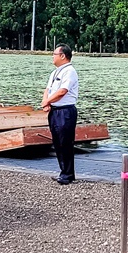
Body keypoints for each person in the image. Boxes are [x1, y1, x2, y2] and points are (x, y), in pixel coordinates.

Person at [42, 44, 79, 184]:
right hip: (55, 110)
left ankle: (68, 174)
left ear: (63, 56)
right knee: (57, 142)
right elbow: (48, 89)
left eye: (54, 54)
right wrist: (46, 102)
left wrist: (47, 102)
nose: (52, 56)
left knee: (65, 142)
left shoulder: (69, 71)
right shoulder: (55, 72)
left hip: (65, 110)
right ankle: (63, 171)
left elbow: (62, 91)